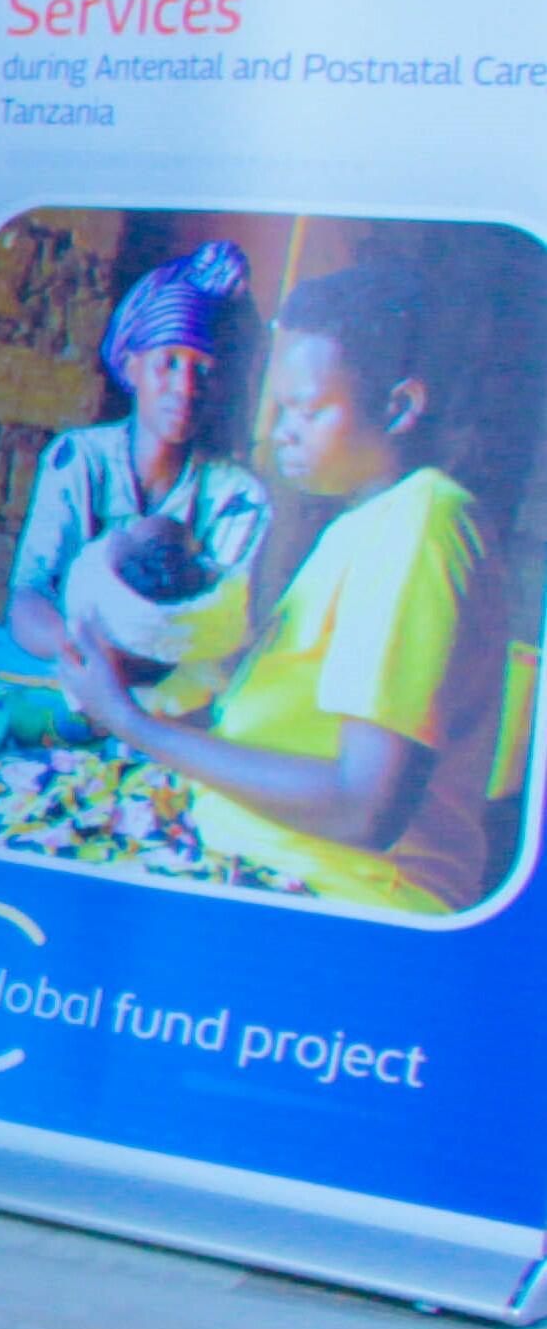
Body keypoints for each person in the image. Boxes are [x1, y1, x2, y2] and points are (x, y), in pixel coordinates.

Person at [59, 262, 503, 915]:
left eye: (307, 407)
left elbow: (363, 809)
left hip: (333, 891)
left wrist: (131, 723)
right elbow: (289, 730)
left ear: (397, 405)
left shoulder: (421, 524)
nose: (280, 429)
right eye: (277, 407)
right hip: (264, 855)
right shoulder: (366, 524)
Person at [6, 240, 269, 672]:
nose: (185, 387)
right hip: (74, 671)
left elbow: (215, 629)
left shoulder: (237, 497)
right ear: (132, 368)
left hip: (174, 695)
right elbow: (29, 594)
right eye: (168, 363)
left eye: (203, 369)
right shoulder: (79, 460)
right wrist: (74, 649)